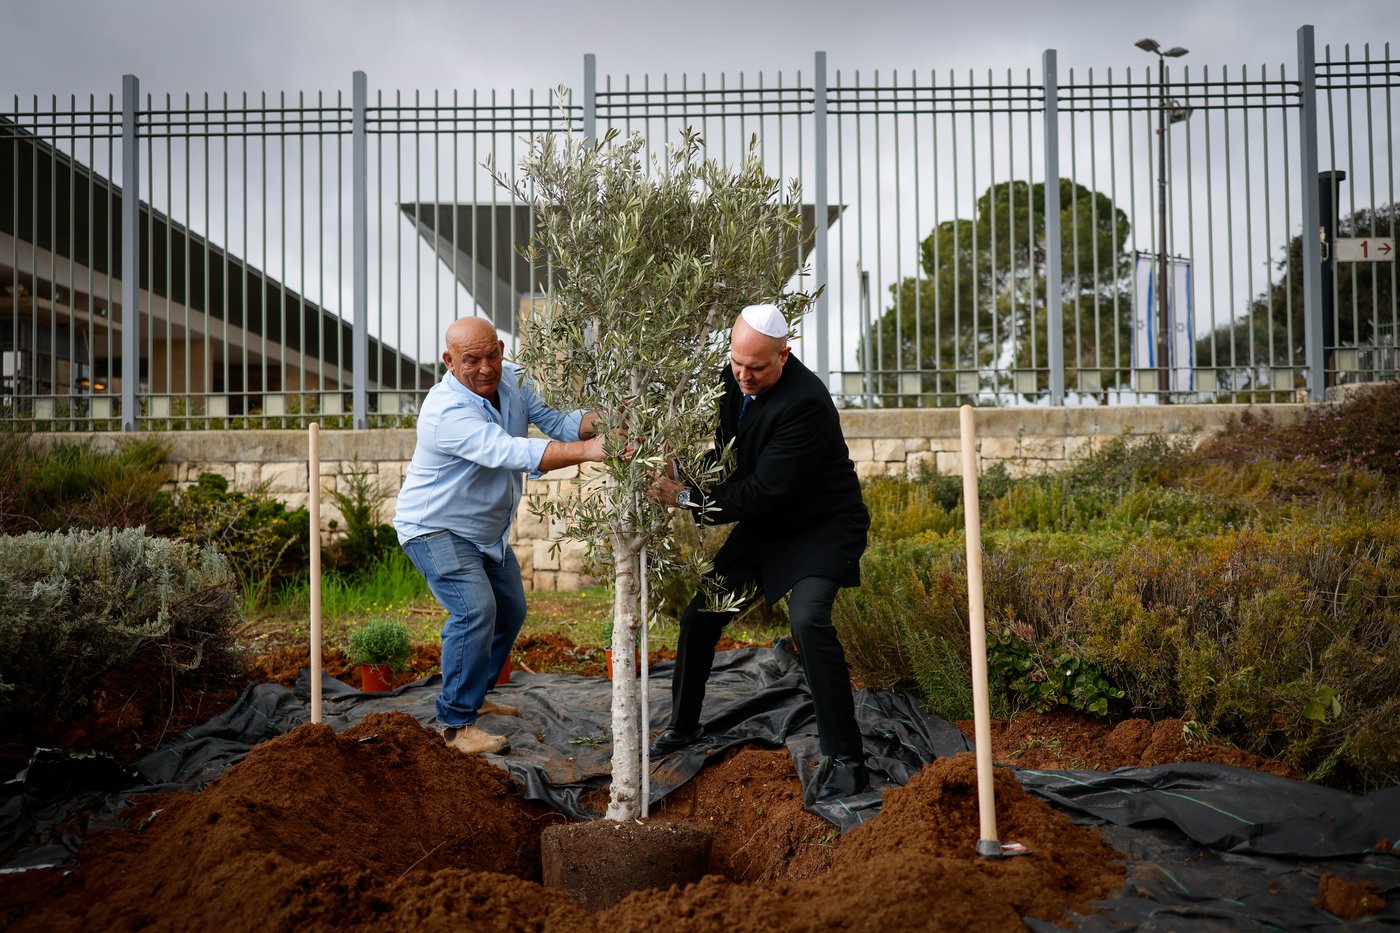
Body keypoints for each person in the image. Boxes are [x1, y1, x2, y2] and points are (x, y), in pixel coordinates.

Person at [646, 303, 872, 802]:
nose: (744, 376)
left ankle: (847, 758)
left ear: (784, 355)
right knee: (699, 615)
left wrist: (684, 496)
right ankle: (683, 728)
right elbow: (729, 450)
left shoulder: (806, 403)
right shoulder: (733, 378)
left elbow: (763, 490)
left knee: (809, 621)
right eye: (737, 364)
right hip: (770, 527)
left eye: (757, 368)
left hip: (821, 528)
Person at [394, 316, 611, 756]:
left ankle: (473, 694)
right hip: (435, 528)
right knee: (475, 611)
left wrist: (606, 422)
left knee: (509, 611)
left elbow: (557, 422)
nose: (486, 367)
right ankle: (456, 726)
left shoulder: (512, 380)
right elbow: (510, 451)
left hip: (482, 532)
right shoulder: (445, 412)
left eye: (492, 354)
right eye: (471, 360)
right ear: (449, 362)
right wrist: (592, 451)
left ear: (502, 348)